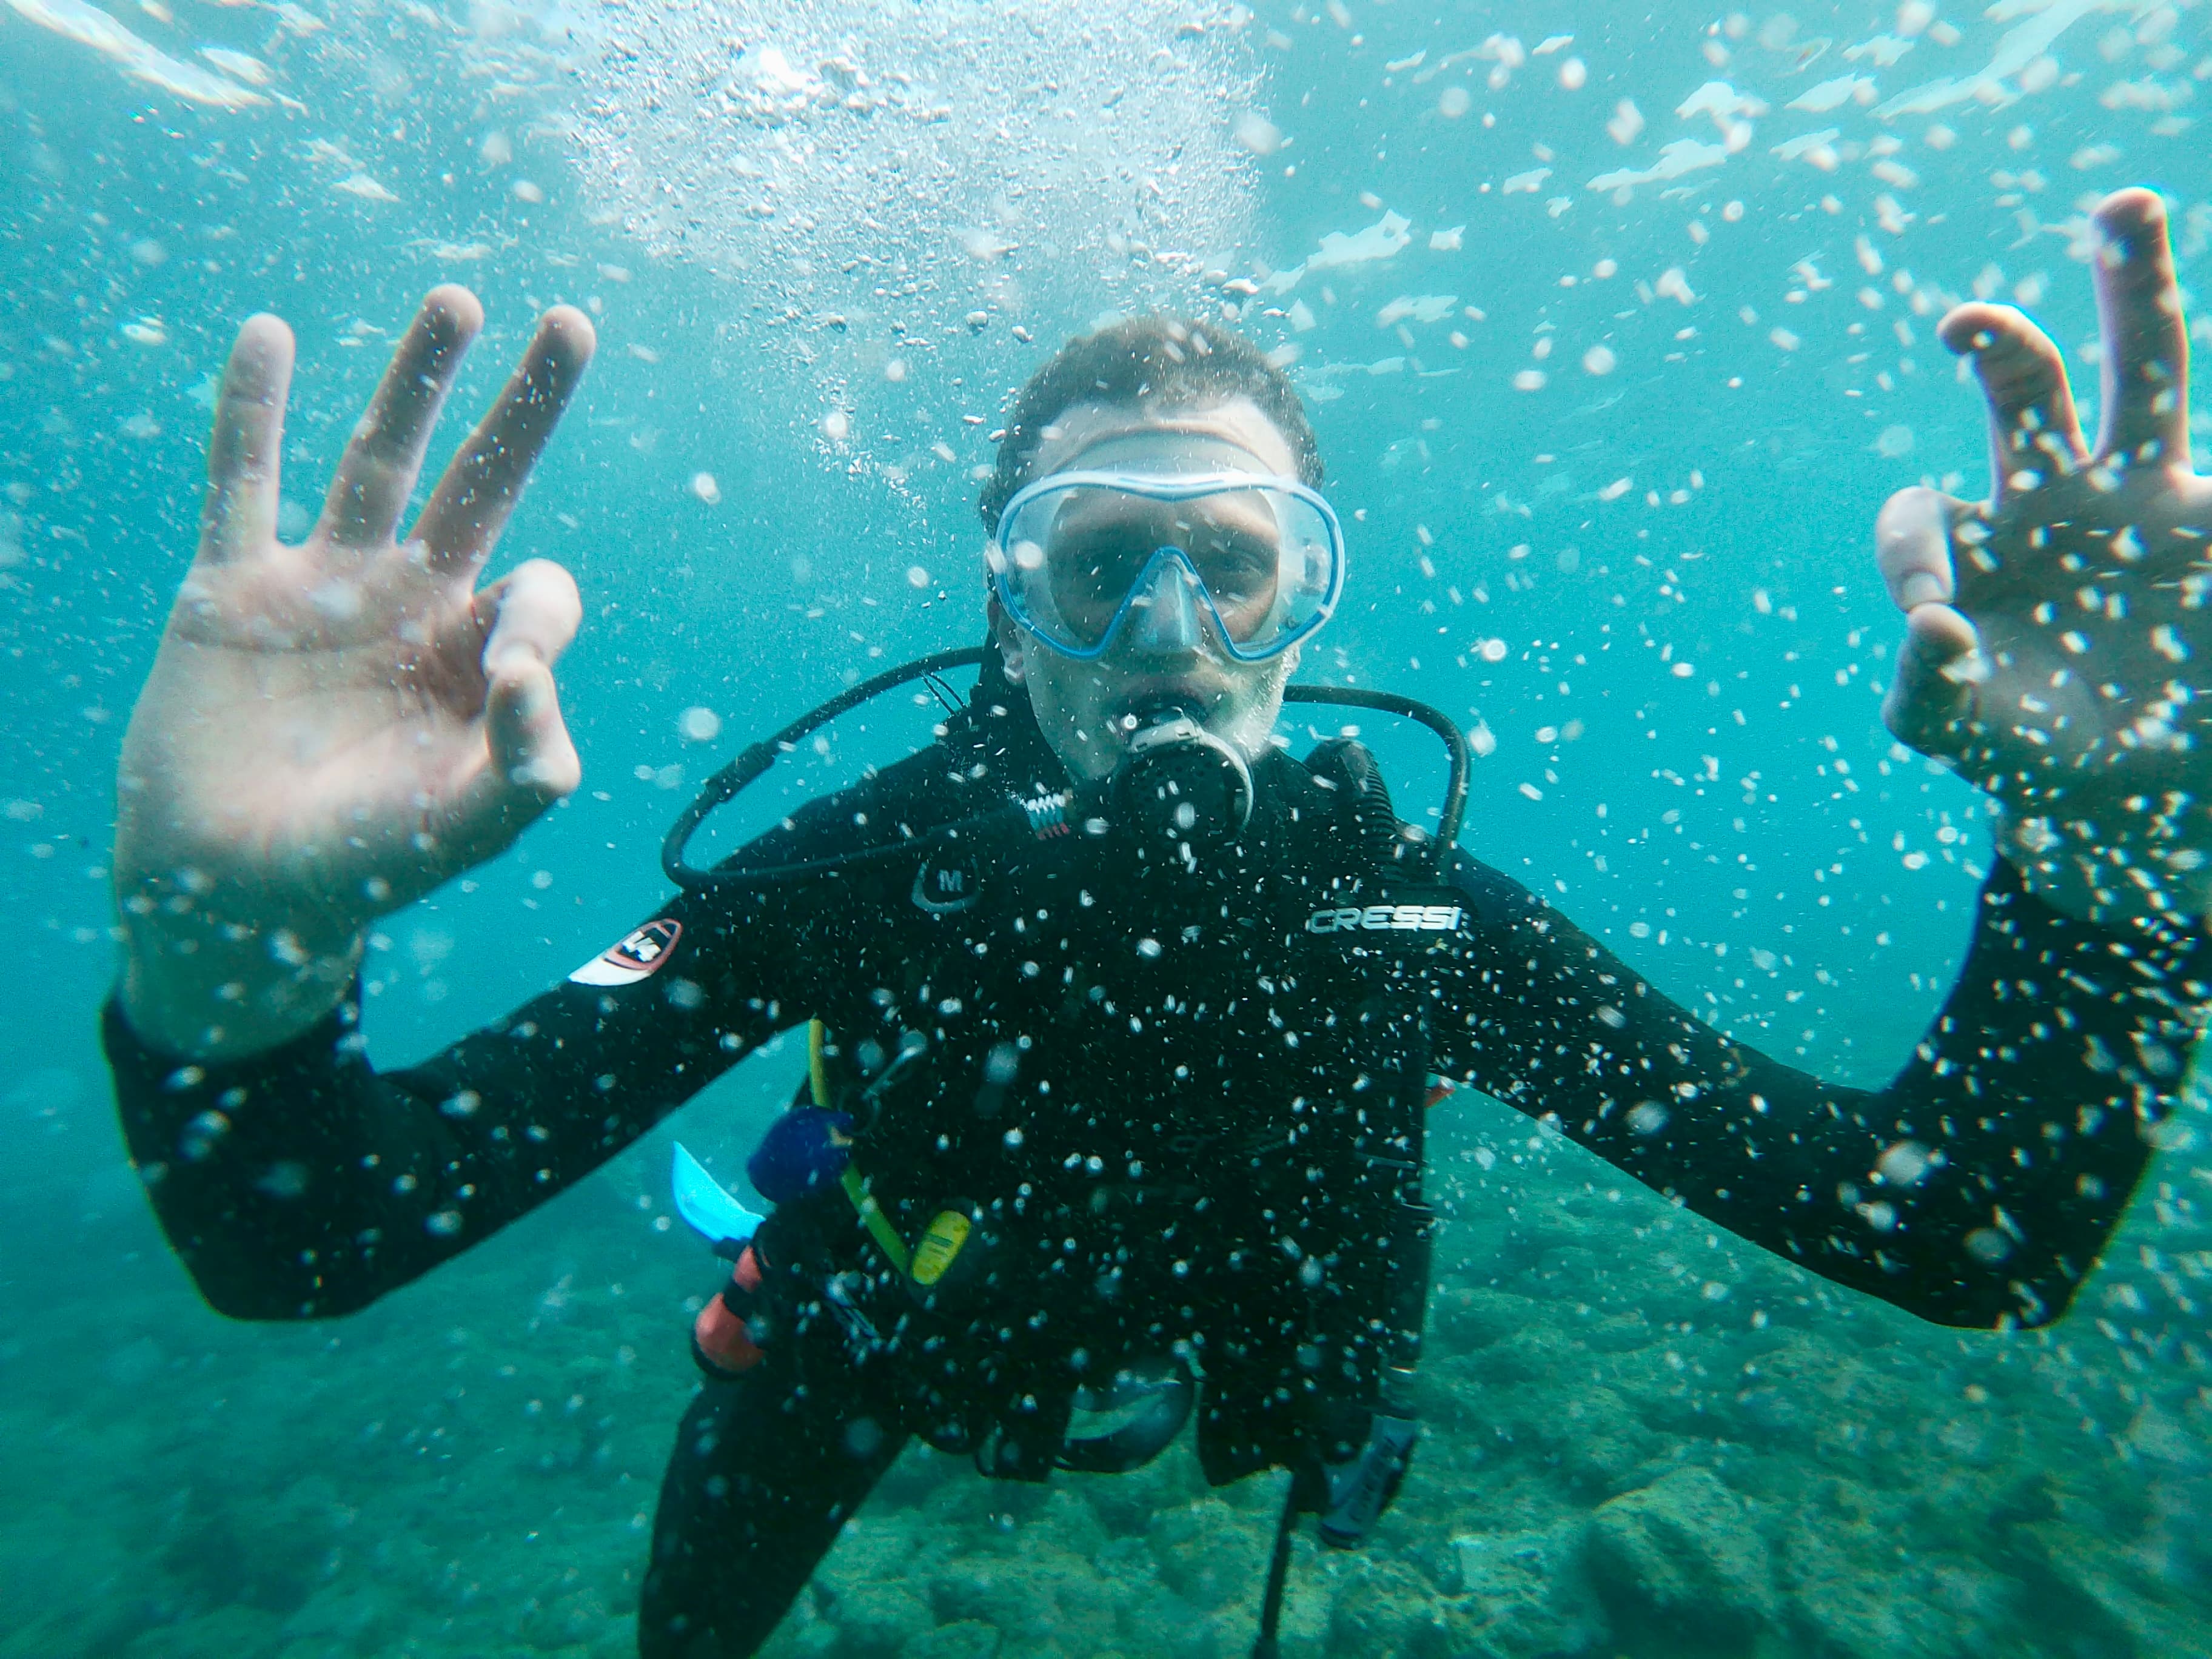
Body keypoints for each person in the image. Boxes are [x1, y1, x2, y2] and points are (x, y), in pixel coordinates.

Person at [104, 186, 2210, 1659]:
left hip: (1256, 1377)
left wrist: (2110, 871)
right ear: (1009, 598)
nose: (1172, 631)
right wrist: (233, 940)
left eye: (1236, 565)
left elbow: (1967, 1235)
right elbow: (313, 1237)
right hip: (869, 1352)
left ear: (1306, 597)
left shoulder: (1400, 915)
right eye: (1100, 565)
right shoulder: (864, 878)